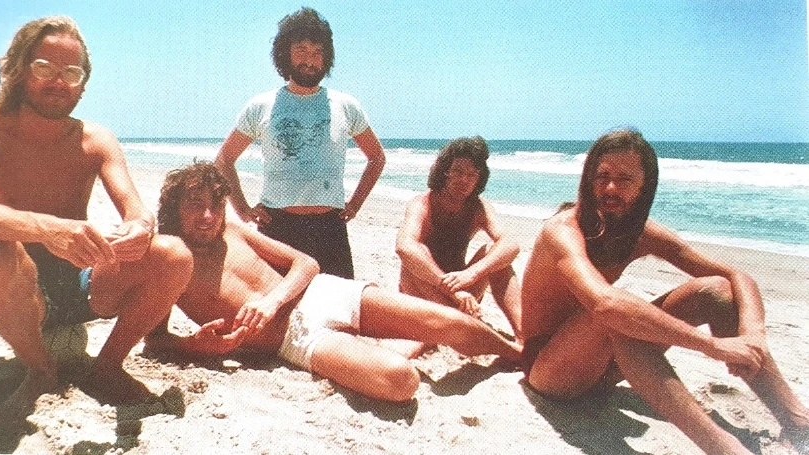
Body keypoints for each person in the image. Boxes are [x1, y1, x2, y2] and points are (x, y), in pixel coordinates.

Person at [0, 16, 193, 409]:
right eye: (44, 68)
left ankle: (106, 368)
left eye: (71, 73)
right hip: (16, 289)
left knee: (174, 254)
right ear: (18, 70)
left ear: (83, 84)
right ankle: (40, 369)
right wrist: (46, 229)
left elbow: (136, 209)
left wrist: (140, 228)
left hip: (84, 280)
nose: (59, 82)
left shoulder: (94, 139)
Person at [519, 129, 809, 454]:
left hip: (607, 366)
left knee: (715, 291)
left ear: (645, 187)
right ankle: (723, 448)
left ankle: (798, 422)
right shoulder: (561, 230)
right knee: (617, 313)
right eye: (602, 176)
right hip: (550, 371)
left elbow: (734, 275)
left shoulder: (639, 233)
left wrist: (754, 336)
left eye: (625, 179)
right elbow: (605, 304)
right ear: (588, 179)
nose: (610, 187)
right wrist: (712, 346)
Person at [144, 161, 522, 402]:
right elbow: (154, 340)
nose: (208, 216)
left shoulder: (234, 232)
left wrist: (273, 300)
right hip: (296, 339)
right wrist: (193, 345)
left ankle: (522, 355)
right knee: (401, 381)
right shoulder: (169, 261)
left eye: (215, 205)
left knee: (449, 322)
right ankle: (391, 345)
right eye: (196, 205)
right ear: (174, 208)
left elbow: (305, 263)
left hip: (322, 292)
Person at [215, 7, 385, 280]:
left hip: (330, 228)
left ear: (327, 57)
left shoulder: (345, 105)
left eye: (318, 52)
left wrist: (355, 204)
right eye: (302, 50)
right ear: (285, 53)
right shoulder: (261, 105)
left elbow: (377, 157)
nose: (310, 60)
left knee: (338, 303)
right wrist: (243, 209)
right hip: (277, 227)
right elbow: (224, 160)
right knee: (277, 301)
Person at [395, 136, 521, 357]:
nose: (464, 180)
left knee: (492, 253)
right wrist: (452, 290)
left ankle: (524, 335)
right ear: (445, 171)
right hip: (423, 291)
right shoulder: (422, 204)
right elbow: (404, 247)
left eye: (472, 175)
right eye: (458, 171)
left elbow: (511, 245)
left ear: (479, 179)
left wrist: (472, 274)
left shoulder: (478, 208)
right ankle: (443, 328)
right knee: (417, 251)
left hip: (464, 295)